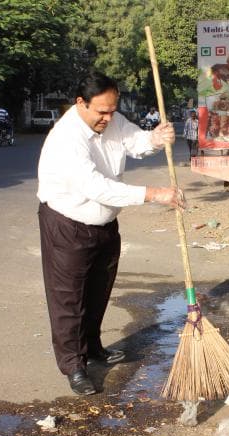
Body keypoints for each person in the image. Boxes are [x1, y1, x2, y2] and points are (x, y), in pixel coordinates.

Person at [36, 72, 185, 396]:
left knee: (98, 290)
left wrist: (157, 138)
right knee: (68, 299)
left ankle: (92, 347)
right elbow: (96, 187)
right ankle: (74, 366)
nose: (107, 117)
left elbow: (136, 141)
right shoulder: (67, 139)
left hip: (104, 225)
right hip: (67, 225)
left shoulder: (113, 121)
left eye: (112, 110)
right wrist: (154, 194)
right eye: (101, 111)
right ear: (80, 103)